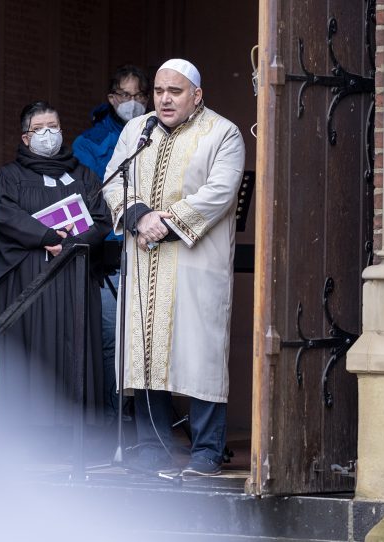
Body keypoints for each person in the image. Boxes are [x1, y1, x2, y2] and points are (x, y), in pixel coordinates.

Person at [103, 58, 245, 476]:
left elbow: (219, 192)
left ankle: (206, 450)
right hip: (145, 261)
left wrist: (163, 222)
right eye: (160, 91)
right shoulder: (137, 131)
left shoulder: (223, 133)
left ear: (197, 96)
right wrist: (138, 215)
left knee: (200, 356)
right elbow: (113, 180)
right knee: (144, 352)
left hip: (195, 264)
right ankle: (152, 448)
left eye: (175, 91)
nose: (164, 99)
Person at [0, 101, 112, 453]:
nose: (49, 135)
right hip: (33, 278)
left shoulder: (84, 175)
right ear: (26, 137)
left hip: (74, 276)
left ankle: (75, 431)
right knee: (36, 350)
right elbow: (3, 215)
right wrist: (46, 237)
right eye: (40, 129)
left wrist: (71, 243)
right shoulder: (10, 176)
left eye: (54, 127)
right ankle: (32, 430)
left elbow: (101, 218)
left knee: (75, 346)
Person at [72, 65, 150, 426]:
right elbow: (93, 194)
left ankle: (145, 419)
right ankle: (111, 416)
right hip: (110, 256)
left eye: (138, 95)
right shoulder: (88, 143)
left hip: (151, 247)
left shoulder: (159, 133)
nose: (132, 102)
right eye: (125, 95)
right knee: (110, 339)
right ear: (112, 98)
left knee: (148, 341)